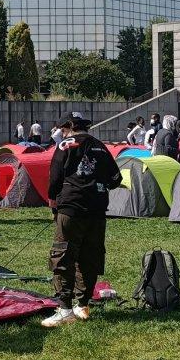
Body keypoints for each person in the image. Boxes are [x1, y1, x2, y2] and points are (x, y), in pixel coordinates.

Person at [42, 115, 123, 328]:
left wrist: (53, 201)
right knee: (90, 255)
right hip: (97, 209)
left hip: (71, 207)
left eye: (62, 128)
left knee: (63, 255)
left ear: (68, 127)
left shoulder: (64, 145)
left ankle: (64, 308)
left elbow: (55, 178)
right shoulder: (100, 146)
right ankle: (83, 304)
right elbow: (116, 179)